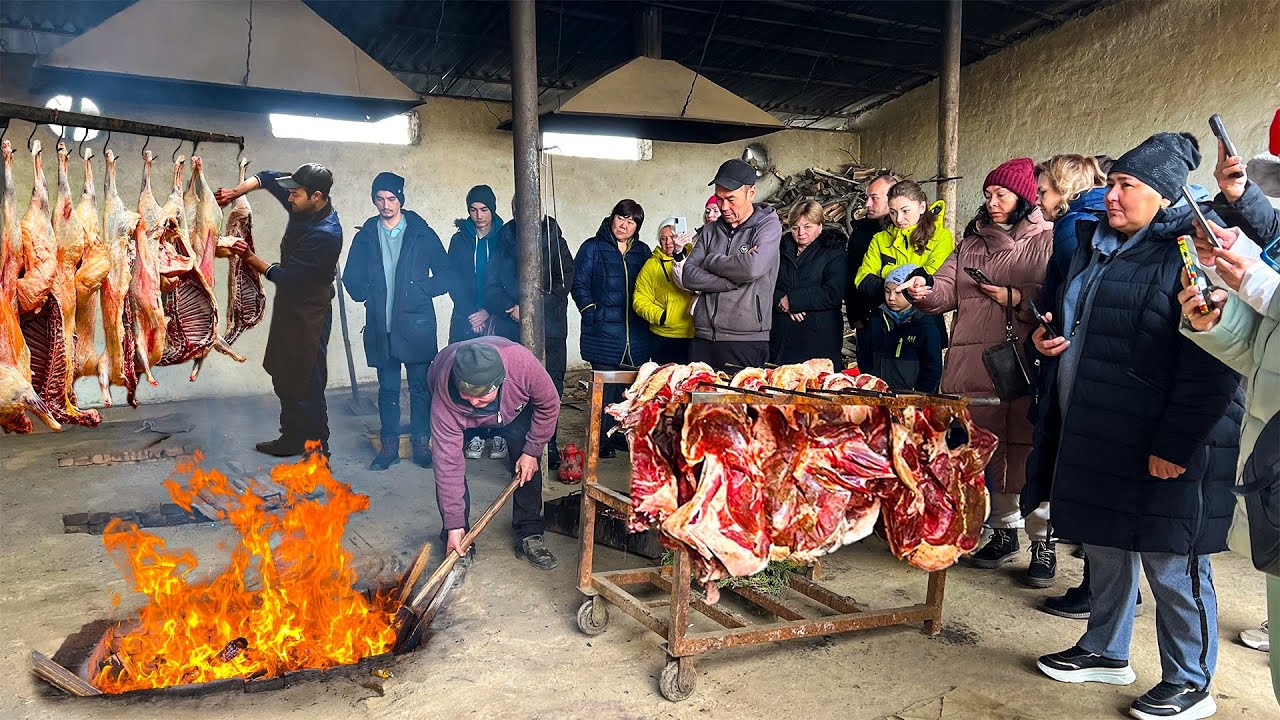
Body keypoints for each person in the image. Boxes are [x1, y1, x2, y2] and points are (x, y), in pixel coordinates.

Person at [1028, 132, 1242, 720]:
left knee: (1174, 561)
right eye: (1112, 183)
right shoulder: (1097, 250)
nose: (1111, 196)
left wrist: (1175, 444)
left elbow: (1216, 362)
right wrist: (1046, 339)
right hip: (1102, 431)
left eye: (1127, 186)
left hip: (1163, 441)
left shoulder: (1188, 255)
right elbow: (1084, 322)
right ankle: (1105, 649)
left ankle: (1191, 680)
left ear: (1163, 196)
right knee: (1107, 546)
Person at [903, 158, 1055, 585]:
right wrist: (925, 290)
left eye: (1001, 195)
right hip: (972, 365)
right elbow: (946, 288)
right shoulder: (971, 244)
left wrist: (1017, 298)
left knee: (1026, 450)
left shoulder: (1048, 240)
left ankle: (1044, 542)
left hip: (1023, 362)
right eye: (988, 195)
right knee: (985, 449)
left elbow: (1058, 296)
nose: (991, 202)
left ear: (1024, 197)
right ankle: (1003, 532)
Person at [1025, 155, 1107, 616]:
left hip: (1073, 366)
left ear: (1065, 188)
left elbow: (1069, 297)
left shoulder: (1073, 228)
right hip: (1090, 365)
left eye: (1043, 192)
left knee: (1076, 473)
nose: (1039, 201)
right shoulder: (1094, 221)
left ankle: (1098, 589)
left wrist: (1055, 330)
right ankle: (1110, 587)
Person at [216, 163, 341, 457]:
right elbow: (269, 177)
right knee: (283, 376)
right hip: (290, 307)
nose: (289, 198)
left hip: (311, 311)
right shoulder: (304, 204)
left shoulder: (326, 234)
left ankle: (318, 453)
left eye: (296, 195)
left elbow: (288, 278)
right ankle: (292, 438)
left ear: (317, 196)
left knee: (307, 383)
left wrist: (249, 256)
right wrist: (237, 191)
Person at [342, 172, 453, 471]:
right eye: (380, 198)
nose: (385, 205)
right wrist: (368, 295)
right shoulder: (366, 235)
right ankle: (388, 447)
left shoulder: (421, 233)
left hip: (416, 325)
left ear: (401, 199)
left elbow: (445, 274)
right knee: (388, 389)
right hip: (382, 327)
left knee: (419, 388)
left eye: (391, 198)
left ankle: (421, 445)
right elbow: (350, 276)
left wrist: (420, 290)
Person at [428, 337, 560, 573]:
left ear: (499, 382)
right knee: (448, 466)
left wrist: (532, 450)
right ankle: (459, 537)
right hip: (457, 414)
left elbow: (549, 404)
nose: (475, 403)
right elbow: (448, 466)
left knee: (527, 465)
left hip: (512, 409)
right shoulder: (444, 394)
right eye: (468, 396)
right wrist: (453, 524)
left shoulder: (522, 365)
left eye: (481, 397)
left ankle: (529, 532)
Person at [484, 197, 575, 469]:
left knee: (551, 387)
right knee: (515, 388)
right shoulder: (504, 238)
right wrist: (511, 309)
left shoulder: (555, 238)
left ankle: (550, 446)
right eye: (520, 209)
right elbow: (490, 285)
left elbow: (564, 282)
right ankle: (518, 448)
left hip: (552, 330)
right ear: (513, 211)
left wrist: (532, 310)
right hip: (512, 329)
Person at [678, 158, 782, 371]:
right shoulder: (710, 231)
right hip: (703, 338)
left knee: (738, 405)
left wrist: (710, 260)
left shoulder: (768, 227)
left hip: (746, 342)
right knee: (698, 403)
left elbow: (752, 268)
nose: (723, 206)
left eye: (731, 199)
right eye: (719, 198)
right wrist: (730, 281)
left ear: (751, 193)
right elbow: (688, 275)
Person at [571, 199, 652, 458]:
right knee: (603, 389)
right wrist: (590, 311)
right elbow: (579, 283)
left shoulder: (642, 251)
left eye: (631, 222)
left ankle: (616, 435)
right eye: (621, 218)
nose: (624, 225)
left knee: (626, 388)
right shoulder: (592, 248)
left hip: (635, 333)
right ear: (612, 218)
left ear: (637, 226)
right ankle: (600, 440)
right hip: (603, 331)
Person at [447, 184, 507, 461]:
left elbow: (507, 279)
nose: (479, 215)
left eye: (484, 209)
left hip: (497, 314)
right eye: (473, 209)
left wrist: (489, 311)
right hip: (465, 314)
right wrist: (472, 312)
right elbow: (454, 278)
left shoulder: (505, 238)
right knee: (466, 373)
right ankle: (473, 435)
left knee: (496, 374)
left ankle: (497, 434)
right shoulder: (459, 240)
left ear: (492, 209)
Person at [770, 200, 849, 367]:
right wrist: (780, 300)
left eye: (808, 227)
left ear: (819, 227)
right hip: (783, 332)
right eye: (796, 228)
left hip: (818, 335)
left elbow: (833, 293)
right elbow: (766, 283)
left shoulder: (834, 252)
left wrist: (794, 300)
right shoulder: (780, 250)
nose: (801, 233)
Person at [864, 263, 942, 392]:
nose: (891, 298)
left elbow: (932, 366)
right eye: (887, 291)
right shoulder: (877, 318)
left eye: (898, 292)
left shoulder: (925, 323)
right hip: (877, 393)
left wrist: (921, 396)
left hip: (910, 398)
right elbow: (865, 354)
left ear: (911, 292)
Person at [846, 174, 896, 370]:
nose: (867, 204)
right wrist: (855, 316)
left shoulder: (913, 231)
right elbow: (851, 276)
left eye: (874, 198)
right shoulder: (860, 234)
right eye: (867, 198)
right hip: (867, 321)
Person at [633, 218, 694, 365]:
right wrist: (661, 316)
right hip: (664, 336)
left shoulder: (694, 258)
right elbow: (639, 300)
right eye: (663, 239)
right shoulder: (651, 265)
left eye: (672, 237)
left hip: (694, 334)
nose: (668, 242)